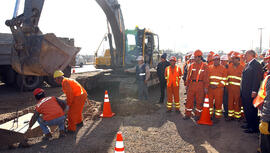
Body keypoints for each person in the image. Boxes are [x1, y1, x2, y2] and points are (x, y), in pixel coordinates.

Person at [240, 50, 263, 133]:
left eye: (246, 55)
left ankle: (253, 127)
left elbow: (257, 79)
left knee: (251, 109)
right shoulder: (248, 64)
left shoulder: (256, 64)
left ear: (251, 55)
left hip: (250, 92)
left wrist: (254, 91)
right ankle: (249, 124)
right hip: (245, 92)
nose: (244, 56)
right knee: (247, 109)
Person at [184, 49, 209, 120]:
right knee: (189, 100)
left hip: (200, 85)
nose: (194, 58)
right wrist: (187, 85)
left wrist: (206, 87)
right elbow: (188, 76)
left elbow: (206, 78)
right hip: (192, 85)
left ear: (199, 57)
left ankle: (198, 115)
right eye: (194, 57)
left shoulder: (205, 66)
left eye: (195, 57)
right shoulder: (191, 65)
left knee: (199, 101)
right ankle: (187, 114)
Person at [253, 51, 270, 153]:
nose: (266, 64)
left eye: (268, 61)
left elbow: (269, 101)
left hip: (267, 116)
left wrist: (265, 118)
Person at [208, 54, 227, 121]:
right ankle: (209, 115)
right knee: (209, 103)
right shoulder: (209, 67)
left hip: (218, 89)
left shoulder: (223, 68)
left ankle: (217, 117)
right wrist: (209, 85)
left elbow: (224, 80)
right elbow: (207, 78)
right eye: (214, 60)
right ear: (213, 60)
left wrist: (217, 86)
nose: (215, 61)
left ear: (219, 60)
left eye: (217, 60)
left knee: (218, 103)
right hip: (210, 89)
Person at [226, 52, 244, 121]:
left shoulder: (242, 68)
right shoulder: (229, 67)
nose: (232, 60)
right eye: (232, 59)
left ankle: (237, 116)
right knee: (230, 102)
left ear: (238, 59)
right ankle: (230, 116)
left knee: (237, 103)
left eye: (234, 59)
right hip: (230, 88)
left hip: (238, 89)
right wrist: (227, 87)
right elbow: (226, 78)